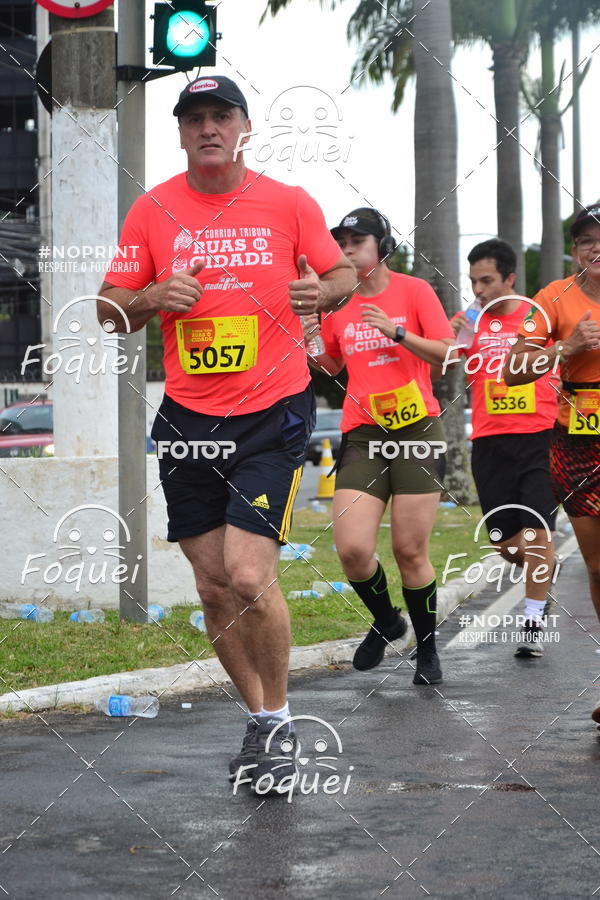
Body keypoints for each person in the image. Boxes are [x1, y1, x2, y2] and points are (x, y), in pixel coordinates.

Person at [97, 76, 356, 790]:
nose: (209, 128)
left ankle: (280, 718)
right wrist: (152, 297)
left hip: (272, 412)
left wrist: (324, 291)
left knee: (248, 573)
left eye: (222, 116)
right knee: (213, 589)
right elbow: (106, 308)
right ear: (181, 133)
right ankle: (261, 721)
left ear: (244, 127)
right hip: (187, 419)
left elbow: (340, 276)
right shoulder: (153, 211)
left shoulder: (289, 203)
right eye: (196, 118)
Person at [305, 208, 455, 684]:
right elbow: (332, 366)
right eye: (341, 240)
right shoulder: (338, 304)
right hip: (364, 435)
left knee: (410, 549)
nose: (346, 247)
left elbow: (448, 354)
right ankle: (388, 621)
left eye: (357, 239)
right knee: (351, 548)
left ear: (383, 244)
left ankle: (427, 651)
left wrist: (398, 332)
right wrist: (309, 341)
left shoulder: (414, 291)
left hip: (416, 432)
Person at [505, 204, 600, 724]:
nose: (595, 248)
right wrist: (565, 348)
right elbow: (513, 369)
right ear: (575, 250)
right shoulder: (553, 298)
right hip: (578, 444)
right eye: (585, 240)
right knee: (598, 565)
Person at [444, 239, 558, 657]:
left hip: (538, 437)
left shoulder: (538, 320)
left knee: (537, 532)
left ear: (510, 279)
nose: (478, 289)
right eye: (473, 281)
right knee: (508, 546)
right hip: (489, 442)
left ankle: (532, 623)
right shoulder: (469, 321)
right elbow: (449, 361)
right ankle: (541, 566)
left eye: (487, 280)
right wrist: (460, 331)